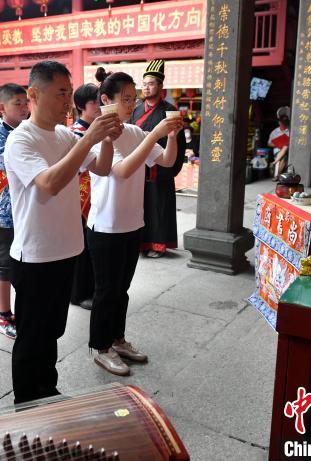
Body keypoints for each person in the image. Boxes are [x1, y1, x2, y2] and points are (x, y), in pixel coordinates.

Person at [3, 60, 121, 404]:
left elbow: (101, 167)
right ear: (33, 94)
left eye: (70, 94)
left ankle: (48, 393)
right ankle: (26, 405)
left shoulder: (65, 135)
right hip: (35, 255)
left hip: (66, 250)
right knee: (31, 336)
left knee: (53, 331)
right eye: (61, 94)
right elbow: (50, 183)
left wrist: (108, 138)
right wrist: (89, 140)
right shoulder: (20, 140)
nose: (68, 102)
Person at [88, 68, 182, 376]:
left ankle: (118, 339)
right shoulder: (100, 134)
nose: (131, 104)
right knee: (106, 290)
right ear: (106, 100)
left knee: (122, 288)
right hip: (105, 225)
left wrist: (171, 136)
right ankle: (101, 348)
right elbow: (122, 171)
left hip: (132, 222)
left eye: (133, 98)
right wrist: (155, 134)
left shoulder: (135, 133)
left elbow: (166, 161)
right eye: (125, 99)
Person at [0, 83, 29, 340]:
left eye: (26, 102)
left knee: (23, 264)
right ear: (2, 108)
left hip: (27, 211)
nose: (24, 107)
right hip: (5, 214)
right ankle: (3, 316)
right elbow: (5, 161)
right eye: (18, 103)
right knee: (3, 265)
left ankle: (21, 312)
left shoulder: (27, 130)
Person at [130, 60, 183, 258]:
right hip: (137, 166)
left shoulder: (169, 110)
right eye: (144, 84)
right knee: (140, 207)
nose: (146, 87)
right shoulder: (136, 110)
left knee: (158, 207)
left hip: (159, 168)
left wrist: (169, 169)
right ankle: (141, 242)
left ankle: (158, 244)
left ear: (161, 87)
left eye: (151, 83)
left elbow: (176, 141)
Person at [69, 83, 101, 310]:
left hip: (97, 194)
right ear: (81, 106)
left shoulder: (98, 131)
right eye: (95, 102)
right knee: (82, 246)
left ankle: (91, 288)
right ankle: (79, 293)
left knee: (93, 245)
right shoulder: (74, 133)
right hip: (80, 198)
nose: (99, 106)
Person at [268, 107, 291, 181]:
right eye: (281, 122)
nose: (282, 124)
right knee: (283, 159)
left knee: (285, 147)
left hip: (287, 150)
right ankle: (277, 175)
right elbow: (269, 143)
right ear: (279, 122)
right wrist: (278, 144)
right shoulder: (275, 132)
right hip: (278, 149)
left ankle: (275, 166)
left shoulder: (290, 130)